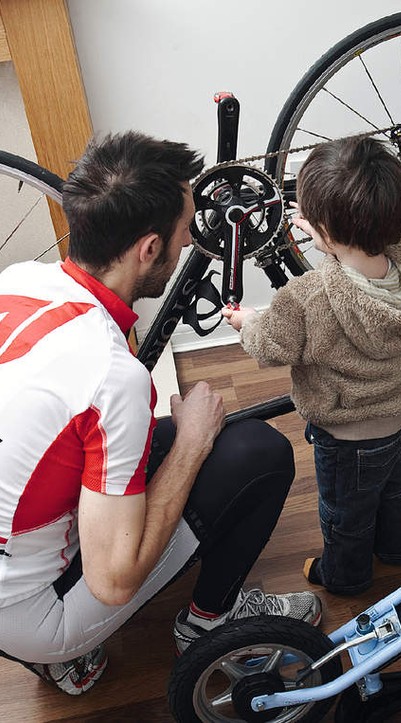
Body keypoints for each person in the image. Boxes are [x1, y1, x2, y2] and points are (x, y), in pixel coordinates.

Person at [0, 131, 321, 696]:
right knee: (259, 452)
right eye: (185, 230)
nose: (189, 242)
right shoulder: (108, 373)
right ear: (149, 249)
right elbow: (114, 581)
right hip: (34, 619)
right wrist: (194, 441)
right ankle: (206, 625)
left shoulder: (19, 281)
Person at [222, 135, 401, 595]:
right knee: (394, 489)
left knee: (346, 513)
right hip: (400, 413)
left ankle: (345, 576)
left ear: (324, 232)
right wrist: (325, 228)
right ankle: (399, 548)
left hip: (348, 433)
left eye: (308, 220)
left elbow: (271, 348)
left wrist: (246, 322)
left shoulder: (307, 298)